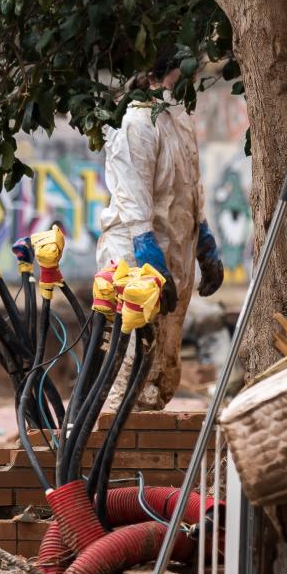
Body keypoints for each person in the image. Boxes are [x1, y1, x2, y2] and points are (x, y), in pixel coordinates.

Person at [97, 51, 224, 409]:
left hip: (175, 255)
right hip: (136, 258)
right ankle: (103, 448)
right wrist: (146, 250)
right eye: (188, 74)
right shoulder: (137, 122)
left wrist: (204, 241)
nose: (193, 82)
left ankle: (145, 453)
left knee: (162, 372)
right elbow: (133, 193)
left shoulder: (180, 119)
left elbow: (191, 185)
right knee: (127, 365)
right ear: (165, 74)